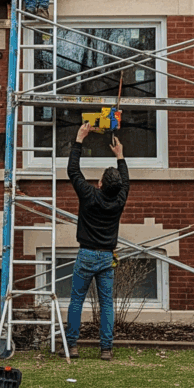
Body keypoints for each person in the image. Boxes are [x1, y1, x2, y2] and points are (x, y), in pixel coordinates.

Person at [65, 121, 129, 360]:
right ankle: (106, 349)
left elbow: (73, 171)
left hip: (86, 254)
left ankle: (72, 346)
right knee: (107, 304)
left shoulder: (90, 195)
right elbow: (126, 180)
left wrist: (79, 140)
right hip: (105, 257)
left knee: (76, 302)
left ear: (100, 184)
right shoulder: (120, 199)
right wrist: (120, 156)